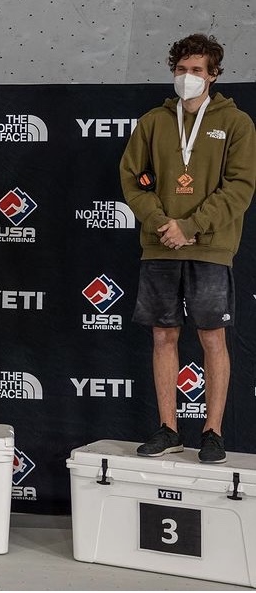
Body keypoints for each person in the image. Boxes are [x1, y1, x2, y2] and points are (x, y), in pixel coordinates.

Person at [120, 34, 256, 463]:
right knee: (163, 336)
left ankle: (213, 432)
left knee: (212, 337)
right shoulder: (152, 122)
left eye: (197, 70)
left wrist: (192, 226)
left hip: (210, 248)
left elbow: (240, 187)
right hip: (160, 245)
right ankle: (168, 429)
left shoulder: (237, 123)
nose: (187, 77)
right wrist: (163, 224)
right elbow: (133, 180)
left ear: (213, 75)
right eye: (181, 69)